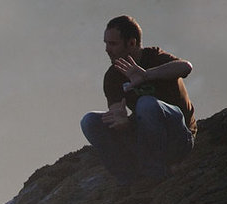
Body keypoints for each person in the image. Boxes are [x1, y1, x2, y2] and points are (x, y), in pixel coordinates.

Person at [80, 15, 196, 185]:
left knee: (146, 104)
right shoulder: (113, 75)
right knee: (89, 121)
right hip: (147, 135)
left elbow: (186, 67)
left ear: (131, 43)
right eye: (105, 43)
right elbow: (116, 111)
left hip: (178, 137)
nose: (107, 49)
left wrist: (147, 75)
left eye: (113, 44)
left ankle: (156, 172)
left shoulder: (154, 57)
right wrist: (120, 121)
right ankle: (129, 178)